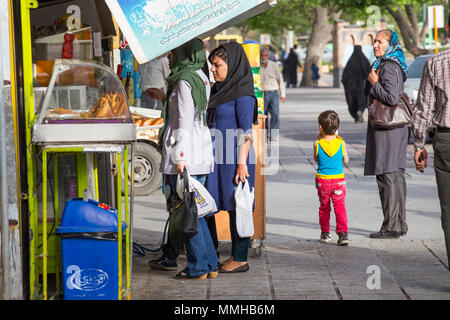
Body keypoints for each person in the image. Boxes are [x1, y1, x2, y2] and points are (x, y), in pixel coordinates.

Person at [155, 38, 218, 280]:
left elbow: (184, 121)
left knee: (187, 213)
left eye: (174, 53)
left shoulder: (183, 81)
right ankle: (210, 264)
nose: (170, 57)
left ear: (184, 54)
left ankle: (199, 266)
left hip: (186, 154)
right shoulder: (201, 77)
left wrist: (180, 156)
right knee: (196, 212)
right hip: (199, 151)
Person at [205, 42, 257, 273]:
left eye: (218, 65)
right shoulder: (218, 90)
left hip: (235, 157)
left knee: (239, 205)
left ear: (233, 64)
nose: (213, 70)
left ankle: (240, 258)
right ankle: (210, 252)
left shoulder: (243, 93)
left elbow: (246, 131)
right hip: (216, 156)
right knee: (208, 205)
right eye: (212, 65)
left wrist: (241, 163)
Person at [412, 15, 450, 270]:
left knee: (448, 209)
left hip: (446, 140)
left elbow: (424, 107)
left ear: (447, 28)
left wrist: (418, 145)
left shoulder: (436, 62)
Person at [364, 29, 409, 239]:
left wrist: (374, 83)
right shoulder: (393, 63)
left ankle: (391, 226)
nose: (375, 45)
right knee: (395, 174)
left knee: (387, 175)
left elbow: (391, 98)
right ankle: (399, 223)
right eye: (374, 41)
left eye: (380, 42)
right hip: (394, 128)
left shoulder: (388, 67)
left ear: (390, 44)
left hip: (387, 128)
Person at [313, 110, 350, 245]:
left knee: (324, 207)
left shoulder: (317, 144)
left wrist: (320, 139)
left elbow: (317, 159)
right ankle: (343, 234)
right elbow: (346, 160)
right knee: (340, 206)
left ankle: (325, 233)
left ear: (320, 127)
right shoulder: (341, 143)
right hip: (338, 181)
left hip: (322, 180)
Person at [260, 47, 286, 141]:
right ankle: (265, 135)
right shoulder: (257, 66)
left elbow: (280, 79)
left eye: (265, 55)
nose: (263, 57)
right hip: (262, 94)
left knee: (275, 114)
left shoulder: (274, 65)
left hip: (273, 93)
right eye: (262, 55)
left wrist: (283, 94)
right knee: (263, 116)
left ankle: (274, 134)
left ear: (268, 56)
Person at [342, 45, 371, 123]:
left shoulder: (350, 62)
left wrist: (346, 85)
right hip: (361, 86)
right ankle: (360, 111)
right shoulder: (364, 60)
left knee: (352, 101)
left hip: (350, 87)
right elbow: (368, 73)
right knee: (361, 100)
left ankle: (356, 116)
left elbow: (344, 76)